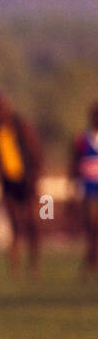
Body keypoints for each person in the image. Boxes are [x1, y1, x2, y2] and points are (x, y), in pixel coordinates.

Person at [0, 92, 43, 276]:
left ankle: (34, 266)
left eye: (2, 107)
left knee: (34, 224)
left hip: (28, 183)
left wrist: (35, 179)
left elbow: (36, 153)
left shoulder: (21, 127)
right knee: (14, 225)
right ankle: (15, 268)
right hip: (9, 185)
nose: (0, 112)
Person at [69, 101, 98, 276]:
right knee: (92, 228)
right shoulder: (82, 139)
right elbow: (74, 163)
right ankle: (90, 261)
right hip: (88, 192)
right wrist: (72, 188)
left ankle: (90, 262)